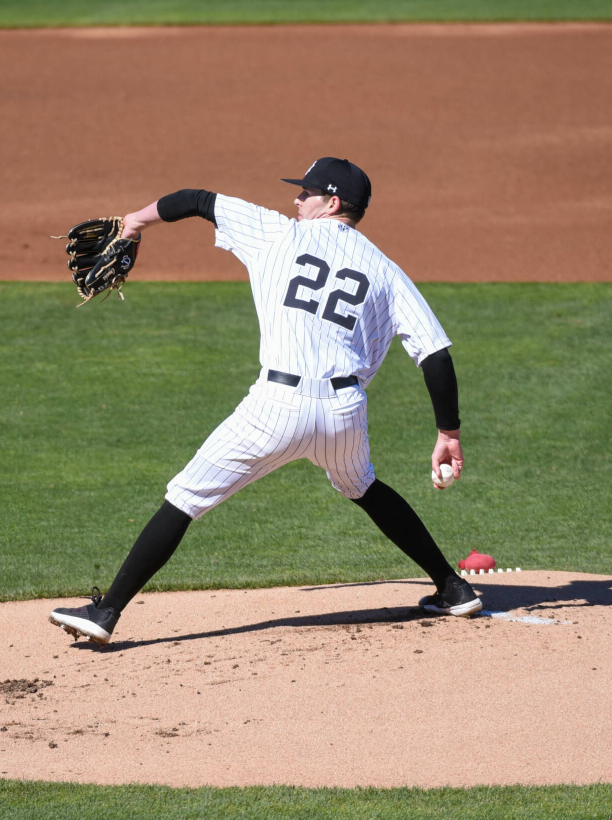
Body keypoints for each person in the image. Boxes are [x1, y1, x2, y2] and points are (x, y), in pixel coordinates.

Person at [50, 157, 481, 645]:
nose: (295, 200)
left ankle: (106, 612)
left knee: (185, 498)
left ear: (332, 202)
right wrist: (449, 433)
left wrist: (132, 224)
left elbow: (195, 200)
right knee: (362, 486)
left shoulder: (276, 233)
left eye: (306, 193)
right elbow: (436, 354)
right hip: (344, 415)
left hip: (276, 407)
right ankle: (452, 586)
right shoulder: (386, 270)